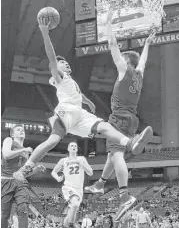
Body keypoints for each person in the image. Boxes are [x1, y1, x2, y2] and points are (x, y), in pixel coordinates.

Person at [13, 18, 153, 182]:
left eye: (65, 61)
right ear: (55, 68)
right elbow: (51, 56)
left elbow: (78, 94)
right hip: (66, 111)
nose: (65, 63)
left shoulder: (70, 81)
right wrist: (45, 32)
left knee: (105, 126)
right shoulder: (58, 77)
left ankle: (130, 143)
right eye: (62, 63)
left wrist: (88, 102)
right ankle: (25, 169)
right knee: (53, 141)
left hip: (80, 113)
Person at [85, 6, 155, 221]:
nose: (120, 60)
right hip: (132, 118)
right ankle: (100, 184)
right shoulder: (139, 75)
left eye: (123, 59)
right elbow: (143, 61)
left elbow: (112, 44)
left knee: (116, 155)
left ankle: (125, 195)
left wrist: (108, 24)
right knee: (111, 154)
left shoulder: (124, 70)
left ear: (126, 62)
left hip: (119, 117)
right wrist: (147, 44)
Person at [1, 124, 45, 228]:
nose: (22, 131)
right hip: (6, 181)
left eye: (22, 130)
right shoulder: (9, 141)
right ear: (13, 134)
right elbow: (6, 155)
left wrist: (35, 169)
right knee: (4, 214)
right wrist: (23, 150)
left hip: (20, 182)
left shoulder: (25, 151)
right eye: (18, 130)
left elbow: (24, 172)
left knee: (23, 209)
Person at [51, 141, 93, 228]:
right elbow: (53, 172)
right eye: (71, 145)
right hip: (68, 187)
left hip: (79, 190)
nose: (74, 147)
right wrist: (58, 178)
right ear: (68, 149)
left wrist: (83, 165)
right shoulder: (63, 160)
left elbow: (90, 172)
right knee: (74, 205)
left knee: (71, 213)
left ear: (77, 149)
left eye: (75, 146)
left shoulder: (82, 159)